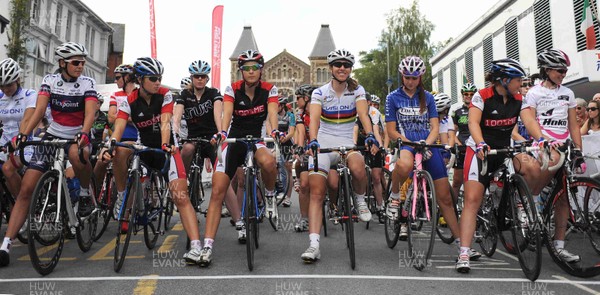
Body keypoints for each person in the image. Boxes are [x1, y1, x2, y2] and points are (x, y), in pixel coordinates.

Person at [1, 42, 97, 267]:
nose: (80, 66)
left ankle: (84, 193)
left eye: (82, 62)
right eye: (75, 62)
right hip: (52, 135)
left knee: (75, 154)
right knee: (26, 188)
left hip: (76, 135)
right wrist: (24, 135)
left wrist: (84, 133)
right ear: (62, 63)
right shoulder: (49, 81)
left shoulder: (87, 83)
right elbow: (40, 111)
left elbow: (91, 112)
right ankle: (6, 244)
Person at [105, 56, 203, 265]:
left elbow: (165, 121)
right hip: (144, 147)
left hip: (167, 149)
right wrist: (112, 142)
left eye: (159, 77)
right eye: (153, 78)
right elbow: (120, 126)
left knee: (180, 196)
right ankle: (124, 196)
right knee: (120, 151)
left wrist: (166, 144)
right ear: (140, 80)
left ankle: (196, 246)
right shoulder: (129, 100)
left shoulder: (165, 95)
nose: (158, 81)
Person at [456, 58, 542, 273]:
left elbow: (529, 121)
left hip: (504, 150)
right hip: (480, 151)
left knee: (532, 167)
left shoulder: (518, 99)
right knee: (473, 199)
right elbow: (474, 122)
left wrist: (541, 138)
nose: (520, 84)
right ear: (503, 80)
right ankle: (464, 251)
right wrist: (480, 142)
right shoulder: (482, 96)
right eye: (517, 80)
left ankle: (522, 205)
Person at [199, 49, 280, 266]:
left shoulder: (270, 89)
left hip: (258, 138)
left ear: (261, 70)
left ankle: (270, 196)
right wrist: (223, 132)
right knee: (217, 191)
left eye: (255, 68)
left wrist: (274, 131)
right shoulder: (232, 89)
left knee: (269, 162)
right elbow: (226, 113)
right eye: (246, 68)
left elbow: (272, 114)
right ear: (241, 71)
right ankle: (207, 246)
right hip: (235, 139)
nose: (251, 72)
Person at [302, 49, 378, 262]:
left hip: (346, 143)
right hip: (324, 143)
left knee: (358, 165)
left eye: (346, 65)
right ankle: (314, 245)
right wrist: (313, 139)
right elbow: (315, 119)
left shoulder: (357, 90)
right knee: (317, 191)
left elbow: (363, 114)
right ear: (331, 69)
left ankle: (360, 199)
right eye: (338, 65)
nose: (342, 68)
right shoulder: (320, 93)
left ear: (350, 68)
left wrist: (370, 135)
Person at [385, 56, 460, 248]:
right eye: (407, 77)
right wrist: (409, 142)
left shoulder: (427, 98)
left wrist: (426, 144)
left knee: (445, 197)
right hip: (406, 142)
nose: (410, 81)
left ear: (420, 77)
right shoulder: (392, 97)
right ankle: (394, 197)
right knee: (404, 164)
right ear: (402, 76)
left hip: (427, 143)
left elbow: (435, 127)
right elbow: (392, 131)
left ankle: (462, 244)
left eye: (414, 78)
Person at [518, 49, 583, 263]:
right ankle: (530, 206)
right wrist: (541, 139)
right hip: (544, 143)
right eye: (559, 70)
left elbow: (573, 124)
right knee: (549, 166)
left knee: (563, 196)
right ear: (547, 70)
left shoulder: (568, 93)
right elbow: (529, 121)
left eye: (565, 71)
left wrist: (579, 150)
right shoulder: (534, 93)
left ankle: (559, 246)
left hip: (564, 144)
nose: (563, 74)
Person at [94, 64, 139, 206]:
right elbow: (111, 118)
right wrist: (131, 118)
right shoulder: (115, 95)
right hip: (116, 136)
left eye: (118, 77)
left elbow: (138, 118)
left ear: (128, 78)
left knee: (120, 153)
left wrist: (123, 117)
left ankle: (123, 196)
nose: (116, 81)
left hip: (133, 138)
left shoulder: (139, 94)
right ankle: (92, 197)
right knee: (101, 160)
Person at [353, 93, 385, 222]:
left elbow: (376, 130)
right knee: (357, 173)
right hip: (360, 142)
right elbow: (354, 129)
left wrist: (380, 146)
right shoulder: (355, 112)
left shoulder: (374, 112)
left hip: (373, 140)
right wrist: (354, 145)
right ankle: (358, 201)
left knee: (376, 177)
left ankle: (380, 206)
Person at [451, 83, 477, 198]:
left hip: (476, 147)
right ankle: (452, 209)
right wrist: (457, 142)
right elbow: (452, 130)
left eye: (471, 94)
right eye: (466, 94)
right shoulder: (457, 111)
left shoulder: (479, 109)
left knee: (474, 182)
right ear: (462, 95)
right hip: (462, 148)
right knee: (457, 181)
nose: (469, 96)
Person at [273, 95, 296, 206]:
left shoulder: (290, 116)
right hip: (274, 143)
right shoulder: (272, 116)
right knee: (273, 167)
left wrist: (283, 139)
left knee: (287, 170)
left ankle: (288, 197)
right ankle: (275, 191)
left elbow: (291, 132)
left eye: (277, 105)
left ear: (282, 106)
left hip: (286, 144)